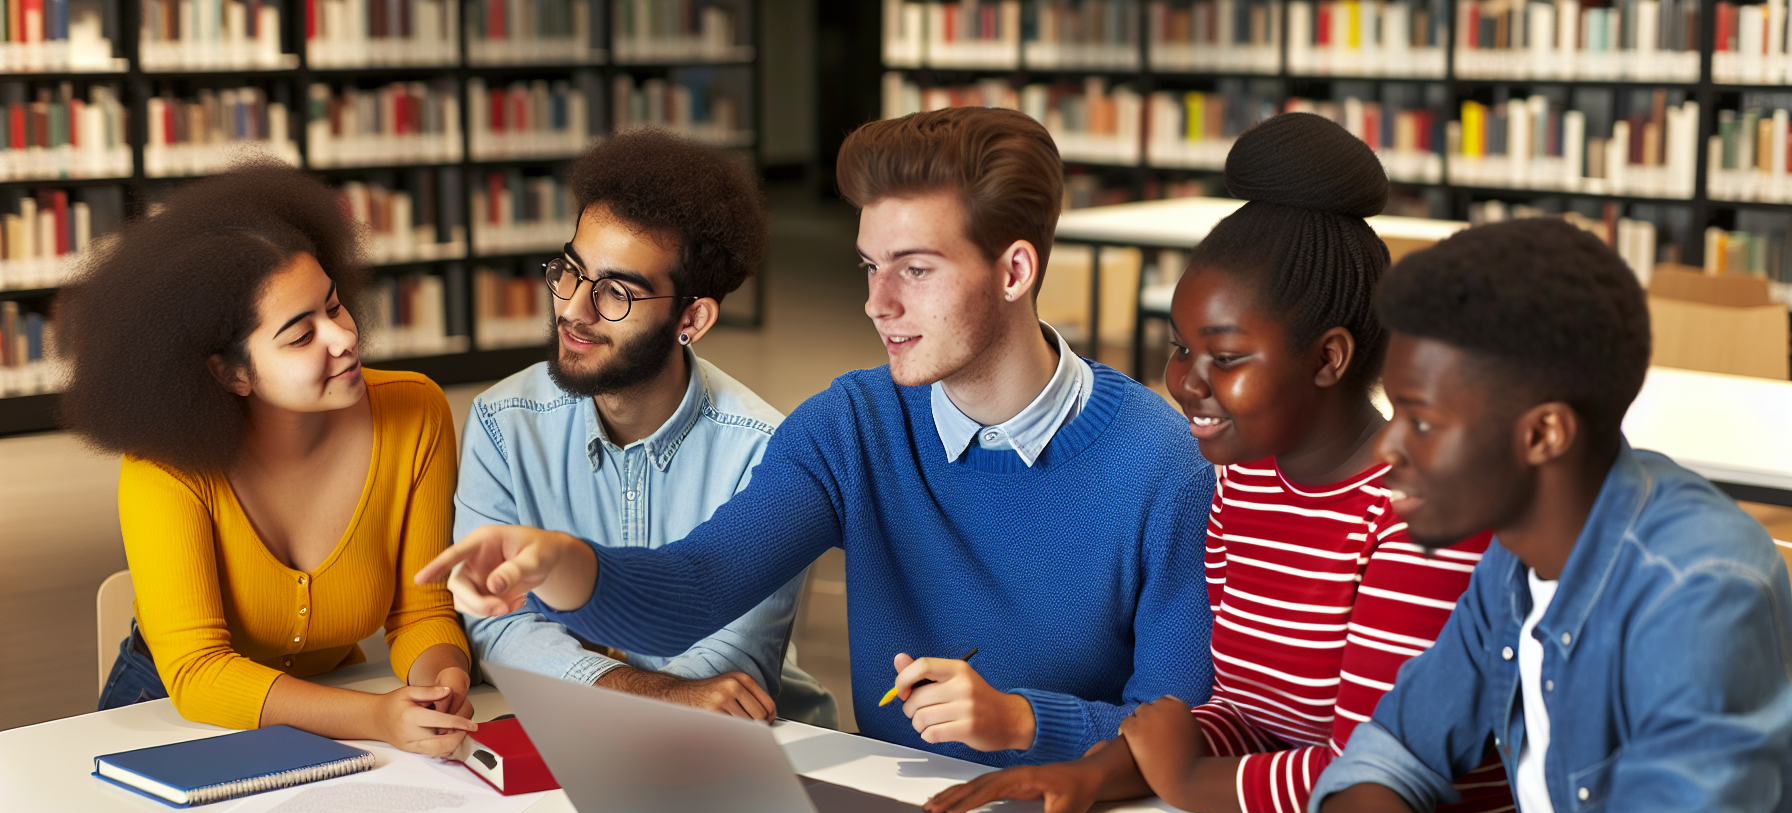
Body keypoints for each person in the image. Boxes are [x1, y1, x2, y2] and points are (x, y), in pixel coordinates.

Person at [420, 107, 1215, 766]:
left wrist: (1024, 724)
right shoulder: (851, 426)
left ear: (1013, 273)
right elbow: (697, 587)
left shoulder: (1162, 464)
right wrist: (564, 563)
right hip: (908, 811)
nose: (877, 303)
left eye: (915, 269)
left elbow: (1192, 729)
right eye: (870, 266)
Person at [923, 113, 1523, 813]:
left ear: (1329, 358)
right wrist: (1096, 772)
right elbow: (1245, 714)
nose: (1185, 383)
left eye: (1227, 359)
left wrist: (1184, 782)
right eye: (1180, 348)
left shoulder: (1422, 518)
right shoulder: (1247, 485)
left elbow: (1373, 782)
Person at [1308, 217, 1792, 813]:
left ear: (1543, 434)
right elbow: (1371, 769)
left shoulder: (1701, 593)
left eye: (1422, 421)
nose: (1385, 449)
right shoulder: (1512, 560)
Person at [62, 164, 476, 756]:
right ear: (229, 373)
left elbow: (422, 610)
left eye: (333, 307)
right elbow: (200, 674)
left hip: (334, 700)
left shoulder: (416, 413)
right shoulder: (166, 462)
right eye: (299, 336)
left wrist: (443, 685)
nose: (343, 337)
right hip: (170, 716)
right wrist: (376, 719)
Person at [451, 129, 834, 726]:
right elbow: (497, 626)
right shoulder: (503, 424)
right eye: (571, 272)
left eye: (617, 294)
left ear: (693, 318)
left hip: (755, 748)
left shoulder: (764, 448)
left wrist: (589, 677)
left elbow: (731, 670)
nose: (574, 309)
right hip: (585, 731)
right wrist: (639, 691)